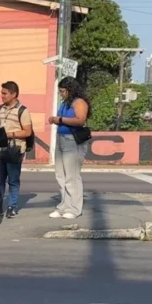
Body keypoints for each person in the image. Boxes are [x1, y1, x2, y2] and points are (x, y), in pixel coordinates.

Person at [48, 77, 90, 220]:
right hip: (61, 138)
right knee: (61, 175)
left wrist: (59, 120)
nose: (61, 94)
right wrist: (56, 120)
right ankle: (64, 205)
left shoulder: (79, 102)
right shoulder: (65, 103)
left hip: (73, 140)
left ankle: (74, 208)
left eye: (63, 91)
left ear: (70, 89)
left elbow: (80, 120)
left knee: (72, 176)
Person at [0, 81, 33, 218]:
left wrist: (10, 134)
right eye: (2, 93)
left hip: (15, 148)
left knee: (13, 180)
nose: (2, 96)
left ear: (14, 94)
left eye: (4, 93)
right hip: (0, 148)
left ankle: (12, 206)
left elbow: (27, 132)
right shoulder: (0, 109)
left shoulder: (22, 111)